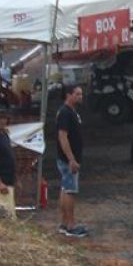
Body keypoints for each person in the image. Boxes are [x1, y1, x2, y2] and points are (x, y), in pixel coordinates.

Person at [56, 83, 87, 237]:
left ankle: (64, 223)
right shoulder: (65, 113)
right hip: (68, 160)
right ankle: (70, 225)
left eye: (81, 94)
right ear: (68, 95)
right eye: (77, 94)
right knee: (70, 191)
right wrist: (71, 159)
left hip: (69, 159)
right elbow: (63, 137)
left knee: (65, 189)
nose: (80, 97)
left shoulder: (71, 112)